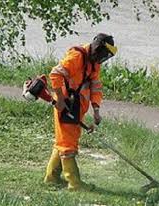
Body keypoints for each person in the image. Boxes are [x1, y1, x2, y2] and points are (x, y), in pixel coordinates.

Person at [43, 33, 117, 191]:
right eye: (103, 55)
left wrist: (96, 109)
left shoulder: (94, 62)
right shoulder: (77, 56)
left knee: (64, 142)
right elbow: (55, 74)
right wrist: (61, 100)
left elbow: (95, 86)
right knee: (67, 145)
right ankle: (75, 184)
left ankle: (51, 178)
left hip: (76, 107)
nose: (103, 60)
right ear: (97, 49)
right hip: (66, 105)